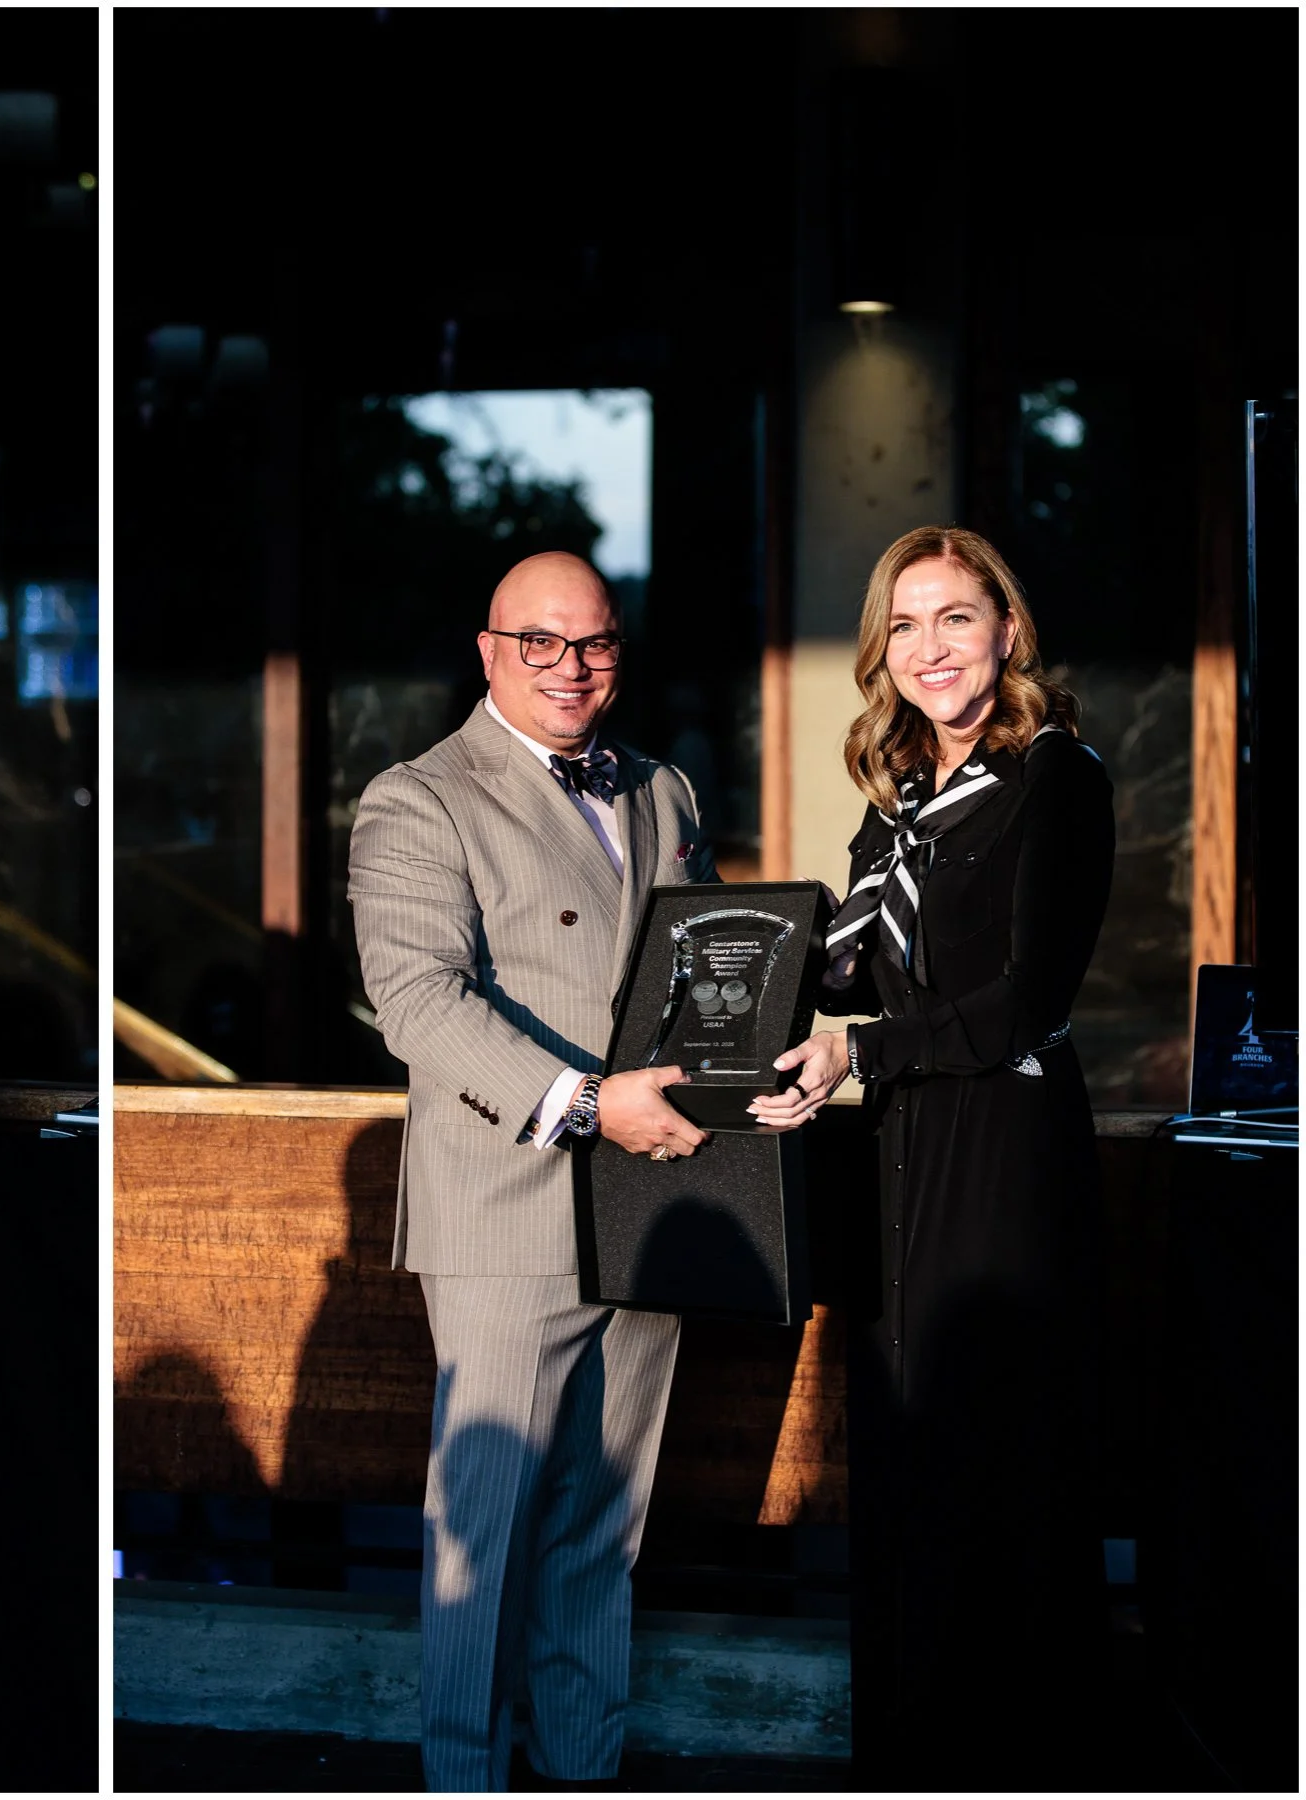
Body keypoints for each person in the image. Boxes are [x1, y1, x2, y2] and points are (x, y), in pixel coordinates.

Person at [350, 549, 792, 1791]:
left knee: (603, 1533)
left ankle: (584, 1773)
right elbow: (417, 1004)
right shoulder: (416, 798)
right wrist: (595, 1103)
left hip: (653, 1202)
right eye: (541, 643)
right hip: (508, 1207)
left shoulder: (662, 787)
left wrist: (770, 1062)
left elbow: (696, 978)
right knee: (481, 1540)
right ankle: (466, 1779)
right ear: (489, 652)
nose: (572, 667)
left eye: (594, 643)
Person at [761, 525, 1113, 1786]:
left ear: (1006, 633)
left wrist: (855, 1055)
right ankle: (904, 1760)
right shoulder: (900, 797)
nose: (929, 650)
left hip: (1004, 1151)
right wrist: (725, 976)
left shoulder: (1055, 779)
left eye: (954, 619)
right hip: (901, 1150)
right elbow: (846, 969)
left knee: (994, 1468)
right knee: (905, 1468)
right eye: (904, 627)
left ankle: (1013, 1761)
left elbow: (1026, 1002)